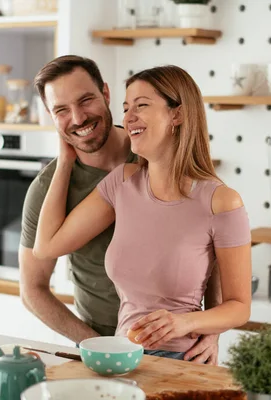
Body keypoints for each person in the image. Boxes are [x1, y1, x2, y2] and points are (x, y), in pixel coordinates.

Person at [32, 64, 252, 360]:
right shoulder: (122, 183)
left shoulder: (222, 201)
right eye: (125, 108)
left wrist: (187, 323)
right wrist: (64, 159)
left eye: (141, 106)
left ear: (178, 114)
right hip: (121, 357)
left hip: (181, 361)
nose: (127, 117)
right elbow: (46, 247)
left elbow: (239, 306)